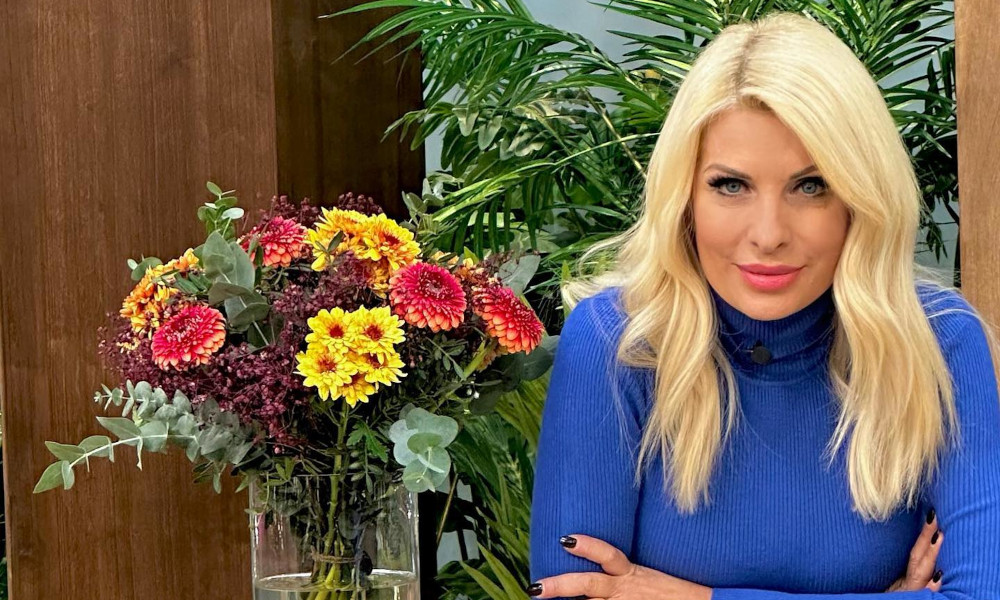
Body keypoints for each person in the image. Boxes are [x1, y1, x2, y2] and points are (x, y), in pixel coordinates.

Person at [527, 11, 1000, 600]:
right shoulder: (616, 342)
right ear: (685, 197)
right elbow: (576, 592)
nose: (769, 234)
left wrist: (694, 597)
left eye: (811, 186)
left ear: (860, 200)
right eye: (731, 185)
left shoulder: (938, 342)